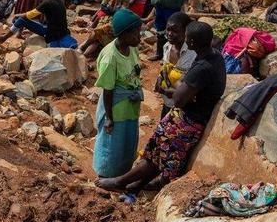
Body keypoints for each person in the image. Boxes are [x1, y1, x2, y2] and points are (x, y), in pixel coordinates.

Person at [95, 21, 226, 193]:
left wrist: (178, 86)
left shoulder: (202, 67)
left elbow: (179, 100)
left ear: (192, 43)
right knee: (156, 149)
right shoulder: (214, 56)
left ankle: (120, 182)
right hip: (189, 114)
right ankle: (137, 184)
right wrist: (182, 87)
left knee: (163, 151)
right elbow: (184, 89)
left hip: (190, 120)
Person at [93, 9, 143, 179]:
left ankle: (123, 174)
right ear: (124, 34)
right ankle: (105, 175)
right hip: (115, 107)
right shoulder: (110, 57)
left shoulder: (131, 48)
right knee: (112, 144)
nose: (140, 37)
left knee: (127, 142)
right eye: (136, 33)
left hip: (130, 106)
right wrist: (109, 117)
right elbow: (108, 89)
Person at [0, 0, 77, 49]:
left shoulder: (47, 3)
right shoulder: (58, 0)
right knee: (23, 19)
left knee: (20, 19)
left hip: (50, 33)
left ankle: (5, 37)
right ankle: (16, 34)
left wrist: (15, 15)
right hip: (62, 31)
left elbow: (29, 15)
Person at [155, 12, 196, 118]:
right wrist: (160, 78)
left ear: (186, 31)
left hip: (186, 108)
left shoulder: (193, 53)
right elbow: (165, 68)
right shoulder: (166, 47)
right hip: (167, 104)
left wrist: (173, 92)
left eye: (175, 31)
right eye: (168, 29)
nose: (169, 33)